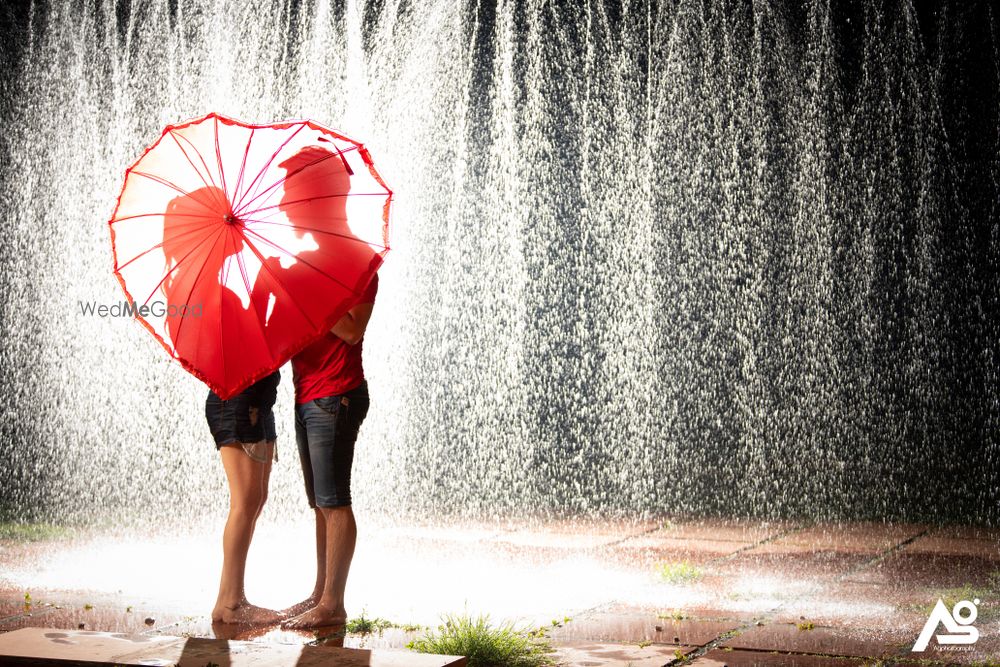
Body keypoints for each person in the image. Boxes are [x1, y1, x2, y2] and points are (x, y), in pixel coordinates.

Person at [161, 187, 282, 625]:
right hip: (238, 402)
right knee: (244, 502)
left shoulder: (192, 285)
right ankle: (229, 603)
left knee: (253, 500)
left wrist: (260, 294)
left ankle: (237, 598)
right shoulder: (203, 290)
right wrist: (266, 292)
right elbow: (256, 345)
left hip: (246, 399)